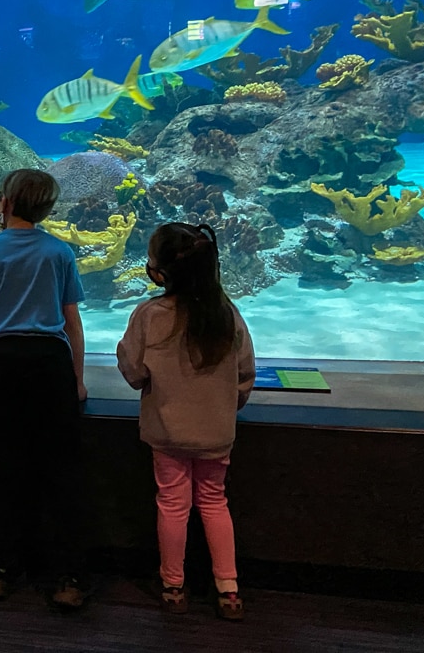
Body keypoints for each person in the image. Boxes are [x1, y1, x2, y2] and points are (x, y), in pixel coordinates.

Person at [116, 222, 255, 621]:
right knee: (214, 501)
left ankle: (172, 584)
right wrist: (227, 408)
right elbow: (245, 375)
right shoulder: (228, 314)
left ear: (160, 271)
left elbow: (133, 371)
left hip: (168, 431)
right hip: (216, 432)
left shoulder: (149, 315)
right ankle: (228, 587)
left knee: (172, 504)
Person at [0, 168, 90, 610]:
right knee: (62, 468)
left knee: (3, 466)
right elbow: (71, 322)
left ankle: (0, 568)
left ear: (6, 202)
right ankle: (69, 575)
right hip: (50, 361)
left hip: (2, 360)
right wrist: (77, 378)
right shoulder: (60, 252)